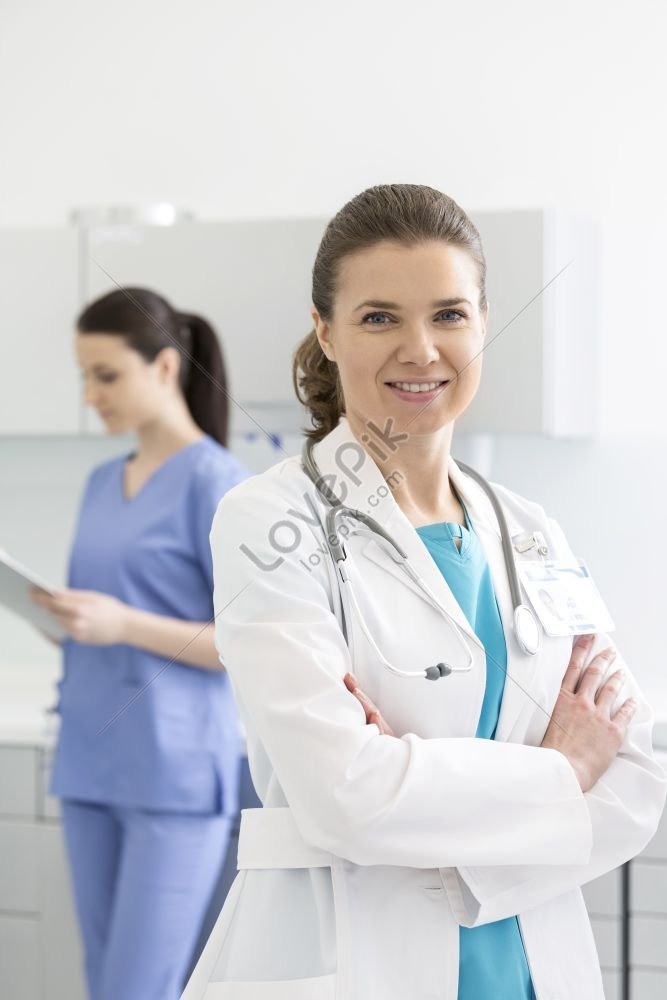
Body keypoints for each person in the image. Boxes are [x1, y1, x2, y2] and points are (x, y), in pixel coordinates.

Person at [181, 185, 666, 1000]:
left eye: (449, 315)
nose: (420, 348)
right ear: (325, 332)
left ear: (482, 326)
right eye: (378, 318)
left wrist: (424, 798)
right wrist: (557, 772)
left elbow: (637, 772)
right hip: (361, 960)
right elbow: (344, 797)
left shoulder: (530, 529)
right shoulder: (270, 519)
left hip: (531, 963)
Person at [31, 287, 249, 1000]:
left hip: (174, 774)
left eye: (107, 375)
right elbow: (101, 613)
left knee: (138, 990)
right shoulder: (101, 482)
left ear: (163, 368)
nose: (92, 395)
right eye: (85, 377)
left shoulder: (219, 485)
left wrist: (123, 624)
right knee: (105, 986)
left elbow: (246, 644)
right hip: (90, 759)